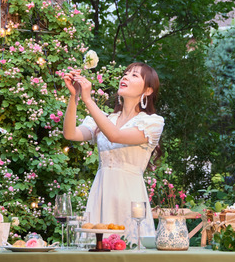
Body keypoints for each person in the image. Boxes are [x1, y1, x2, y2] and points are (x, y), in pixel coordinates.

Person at [62, 62, 164, 244]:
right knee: (95, 251)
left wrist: (88, 100)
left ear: (148, 91)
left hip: (130, 198)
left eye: (134, 75)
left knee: (130, 250)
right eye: (126, 73)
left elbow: (115, 135)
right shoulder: (106, 119)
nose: (125, 77)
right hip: (101, 194)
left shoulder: (152, 123)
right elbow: (71, 133)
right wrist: (74, 97)